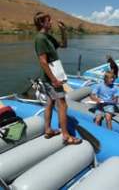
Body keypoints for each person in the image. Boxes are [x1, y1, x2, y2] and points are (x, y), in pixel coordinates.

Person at [33, 12, 81, 144]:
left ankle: (48, 130)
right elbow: (43, 61)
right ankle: (66, 135)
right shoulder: (40, 39)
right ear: (42, 23)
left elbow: (64, 45)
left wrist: (63, 31)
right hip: (52, 79)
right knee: (63, 105)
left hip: (50, 79)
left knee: (50, 103)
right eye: (48, 21)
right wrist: (54, 79)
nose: (51, 22)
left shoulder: (48, 37)